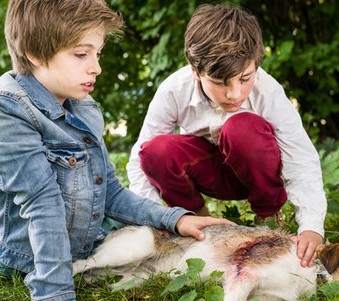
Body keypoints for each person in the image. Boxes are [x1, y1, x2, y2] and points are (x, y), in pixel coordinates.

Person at [0, 1, 232, 301]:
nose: (96, 67)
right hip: (26, 253)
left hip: (84, 235)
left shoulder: (83, 106)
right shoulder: (2, 110)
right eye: (81, 54)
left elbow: (109, 192)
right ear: (35, 54)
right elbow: (42, 205)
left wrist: (176, 219)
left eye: (98, 53)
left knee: (169, 244)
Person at [127, 3, 327, 269]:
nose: (234, 93)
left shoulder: (268, 91)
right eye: (221, 83)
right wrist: (161, 218)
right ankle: (196, 222)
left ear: (256, 64)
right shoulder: (173, 90)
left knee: (240, 128)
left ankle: (267, 217)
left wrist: (312, 226)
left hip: (255, 171)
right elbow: (139, 161)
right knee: (154, 150)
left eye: (245, 78)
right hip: (207, 172)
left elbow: (301, 159)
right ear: (195, 71)